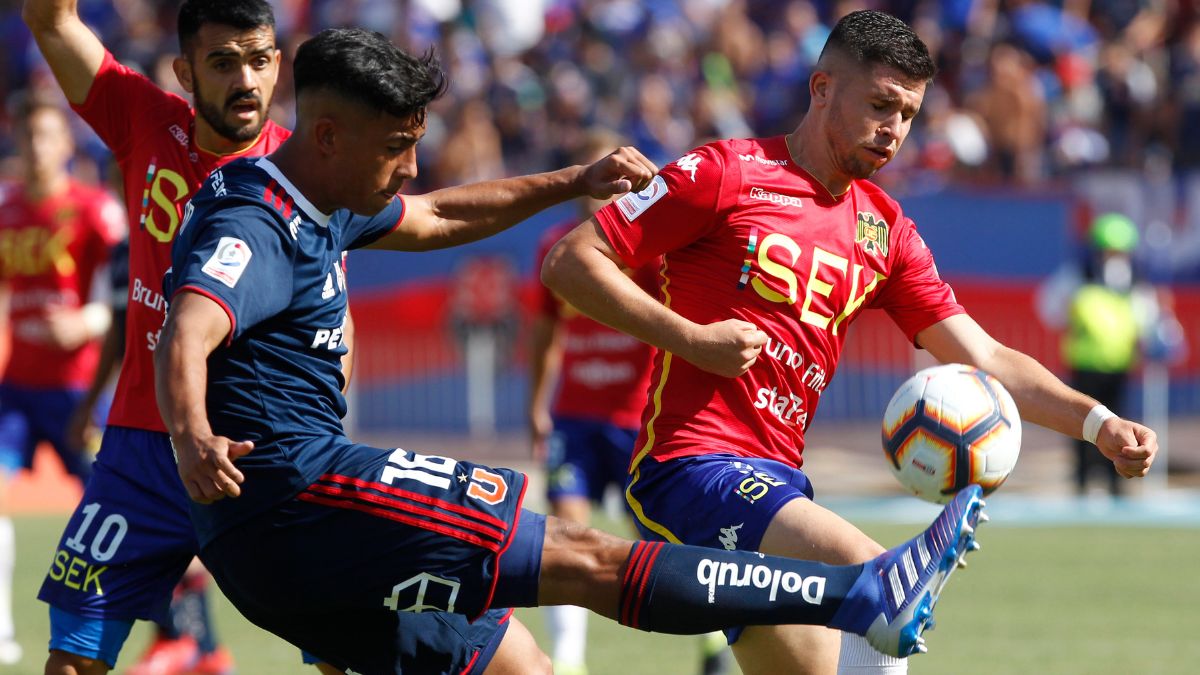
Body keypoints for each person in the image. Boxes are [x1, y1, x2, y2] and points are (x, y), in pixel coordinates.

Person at [154, 27, 987, 675]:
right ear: (330, 136)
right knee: (585, 555)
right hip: (296, 492)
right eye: (395, 149)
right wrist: (191, 434)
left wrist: (570, 180)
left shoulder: (323, 195)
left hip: (295, 545)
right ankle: (861, 591)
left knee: (520, 661)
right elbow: (190, 323)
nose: (409, 171)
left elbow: (442, 216)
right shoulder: (257, 219)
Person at [541, 10, 1158, 675]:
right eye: (881, 104)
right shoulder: (724, 171)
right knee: (879, 578)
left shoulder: (884, 230)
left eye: (909, 113)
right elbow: (571, 261)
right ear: (822, 88)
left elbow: (985, 357)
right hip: (692, 469)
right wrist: (692, 339)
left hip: (781, 483)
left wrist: (1098, 423)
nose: (894, 128)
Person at [25, 2, 550, 674]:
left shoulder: (316, 166)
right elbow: (51, 20)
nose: (245, 78)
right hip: (146, 451)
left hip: (271, 455)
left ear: (280, 64)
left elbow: (437, 215)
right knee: (72, 660)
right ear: (186, 70)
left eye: (259, 58)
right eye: (222, 62)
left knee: (352, 654)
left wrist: (568, 183)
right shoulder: (141, 117)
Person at [528, 129, 731, 675]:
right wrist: (536, 403)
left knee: (661, 541)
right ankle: (569, 662)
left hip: (637, 419)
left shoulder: (649, 250)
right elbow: (546, 334)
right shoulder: (557, 249)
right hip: (575, 416)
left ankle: (713, 636)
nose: (600, 193)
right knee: (565, 530)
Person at [0, 93, 125, 667]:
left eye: (46, 137)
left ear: (66, 145)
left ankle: (186, 631)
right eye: (26, 139)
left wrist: (85, 322)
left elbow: (120, 298)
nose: (35, 148)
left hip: (78, 391)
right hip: (15, 390)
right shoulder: (7, 211)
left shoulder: (97, 210)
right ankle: (2, 629)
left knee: (116, 513)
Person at [1038, 213, 1179, 496]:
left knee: (1119, 426)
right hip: (1085, 364)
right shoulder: (1076, 278)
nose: (1114, 257)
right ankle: (1082, 485)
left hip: (1118, 365)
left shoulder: (1135, 285)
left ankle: (1117, 484)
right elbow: (1050, 307)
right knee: (1082, 426)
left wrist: (1162, 338)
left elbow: (1150, 321)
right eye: (1109, 251)